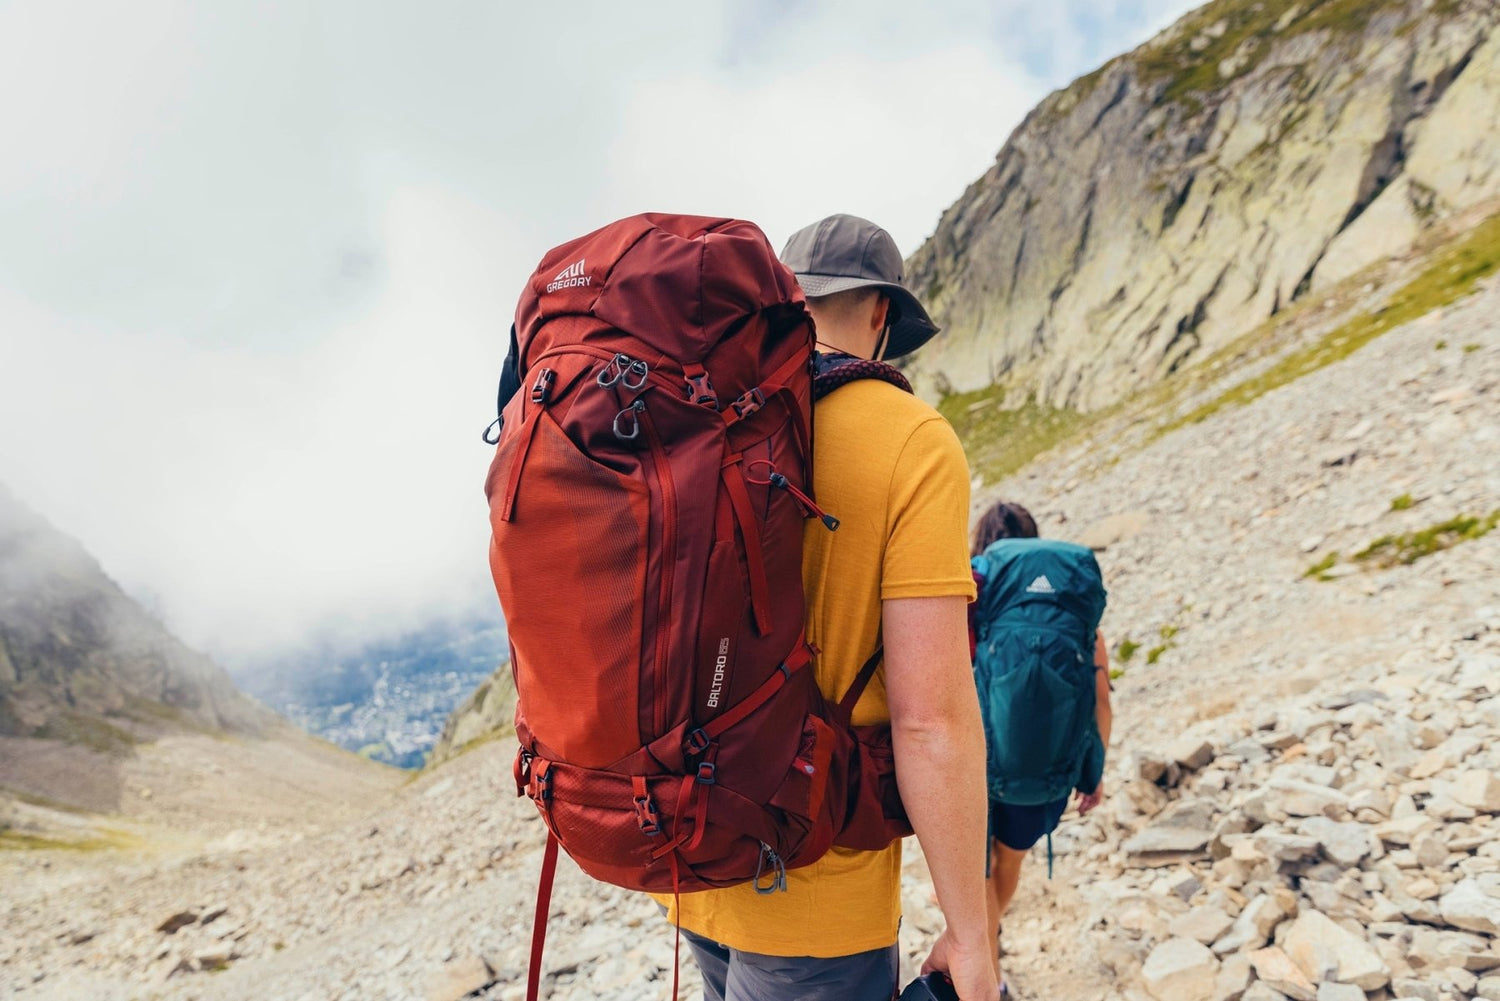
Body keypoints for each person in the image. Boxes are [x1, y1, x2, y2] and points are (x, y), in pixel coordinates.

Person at [657, 214, 1000, 1001]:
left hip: (690, 850)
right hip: (815, 880)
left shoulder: (706, 416)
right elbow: (931, 720)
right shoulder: (911, 437)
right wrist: (971, 932)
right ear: (882, 314)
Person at [969, 501, 1113, 963]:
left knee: (973, 875)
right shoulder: (1076, 618)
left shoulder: (972, 599)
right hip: (1044, 771)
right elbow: (1101, 701)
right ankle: (991, 943)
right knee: (1008, 861)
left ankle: (984, 960)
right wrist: (1093, 773)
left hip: (973, 762)